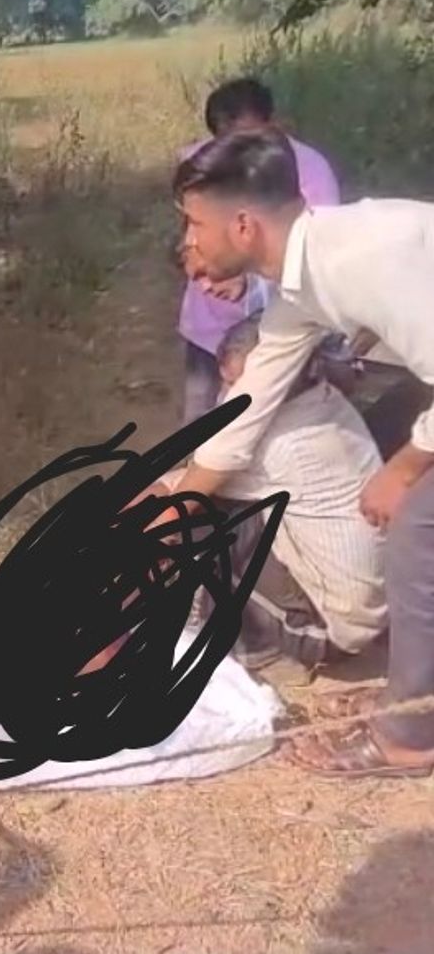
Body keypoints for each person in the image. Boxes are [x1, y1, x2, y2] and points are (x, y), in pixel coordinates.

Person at [171, 128, 434, 778]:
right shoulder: (300, 285)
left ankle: (410, 734)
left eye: (194, 224)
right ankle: (412, 693)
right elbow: (252, 398)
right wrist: (174, 500)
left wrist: (405, 466)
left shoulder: (364, 256)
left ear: (242, 225)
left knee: (416, 530)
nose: (189, 242)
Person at [161, 315, 387, 672]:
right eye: (225, 382)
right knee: (212, 510)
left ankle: (230, 644)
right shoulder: (325, 403)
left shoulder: (281, 446)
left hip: (330, 631)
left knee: (198, 526)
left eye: (236, 385)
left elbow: (185, 492)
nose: (226, 395)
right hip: (372, 606)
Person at [177, 78, 342, 425]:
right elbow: (187, 235)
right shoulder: (203, 163)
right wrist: (205, 266)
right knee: (200, 424)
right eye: (229, 140)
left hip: (277, 328)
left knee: (268, 425)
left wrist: (248, 281)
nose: (242, 149)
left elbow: (314, 256)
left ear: (273, 123)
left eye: (250, 135)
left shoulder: (311, 170)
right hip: (209, 326)